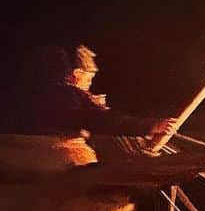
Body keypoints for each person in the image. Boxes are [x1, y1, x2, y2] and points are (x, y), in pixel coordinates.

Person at [4, 43, 177, 142]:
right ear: (76, 75)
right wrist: (150, 126)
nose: (89, 86)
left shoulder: (25, 94)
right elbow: (100, 120)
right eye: (88, 79)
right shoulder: (68, 95)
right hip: (45, 165)